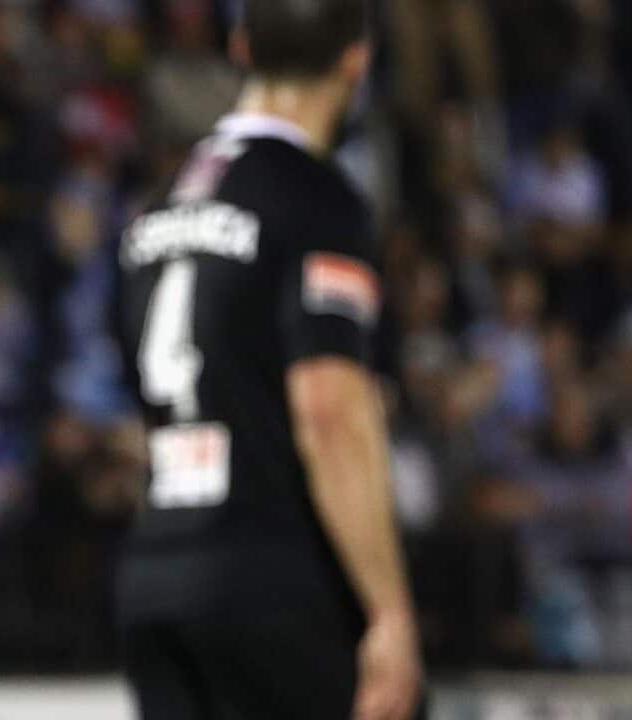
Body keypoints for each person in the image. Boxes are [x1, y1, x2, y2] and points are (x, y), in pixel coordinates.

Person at [115, 2, 423, 719]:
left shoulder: (151, 212)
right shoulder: (317, 198)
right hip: (274, 583)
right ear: (357, 58)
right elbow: (329, 409)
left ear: (242, 46)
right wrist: (390, 613)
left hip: (157, 576)